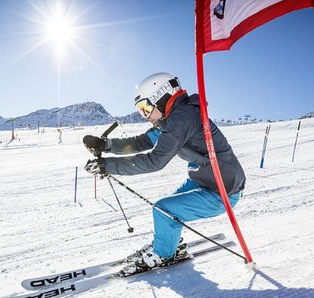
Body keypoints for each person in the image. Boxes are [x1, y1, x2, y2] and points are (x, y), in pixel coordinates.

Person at [83, 72, 245, 275]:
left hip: (222, 190)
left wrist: (109, 166)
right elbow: (141, 142)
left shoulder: (182, 119)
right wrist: (106, 145)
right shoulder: (170, 120)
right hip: (205, 179)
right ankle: (168, 242)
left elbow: (155, 160)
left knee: (164, 209)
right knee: (166, 210)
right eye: (141, 111)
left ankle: (164, 253)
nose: (146, 115)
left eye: (145, 108)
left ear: (161, 97)